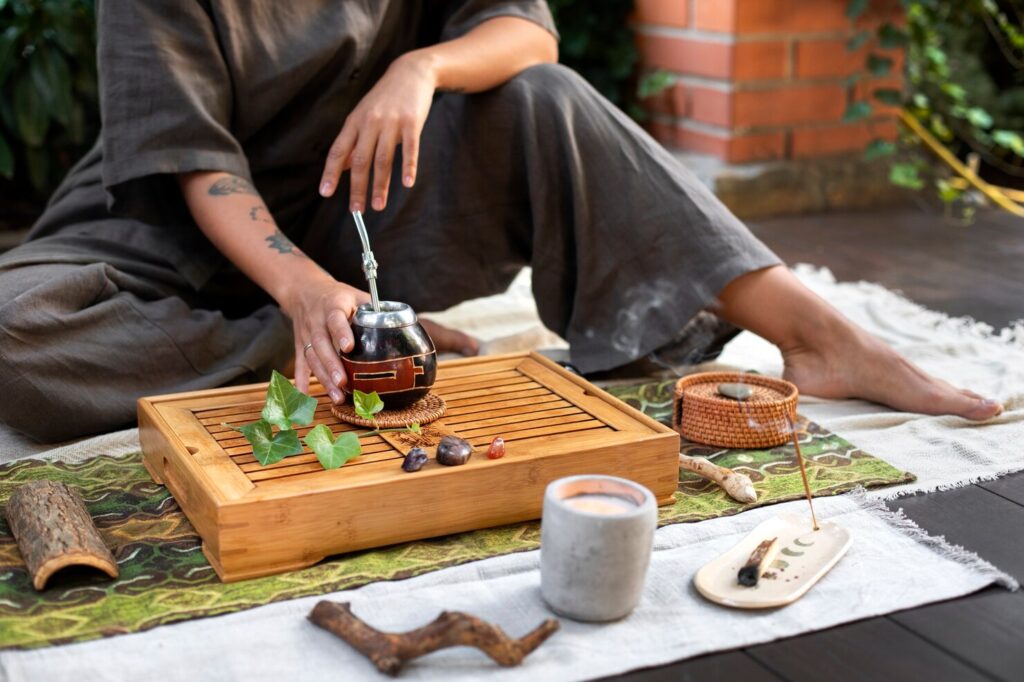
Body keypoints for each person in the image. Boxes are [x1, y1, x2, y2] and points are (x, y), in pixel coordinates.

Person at [0, 1, 1002, 443]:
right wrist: (304, 295)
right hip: (161, 237)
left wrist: (422, 65)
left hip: (357, 215)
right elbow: (195, 163)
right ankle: (352, 345)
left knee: (544, 95)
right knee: (13, 334)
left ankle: (820, 337)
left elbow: (524, 31)